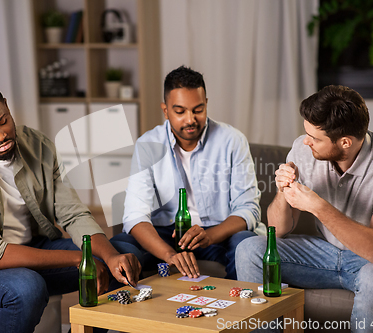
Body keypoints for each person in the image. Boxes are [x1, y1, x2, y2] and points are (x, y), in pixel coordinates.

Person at [0, 81, 141, 333]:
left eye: (3, 121)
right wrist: (79, 258)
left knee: (123, 256)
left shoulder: (37, 144)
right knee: (27, 288)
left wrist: (110, 256)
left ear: (7, 107)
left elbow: (72, 214)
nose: (0, 135)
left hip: (30, 249)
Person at [236, 85, 373, 332]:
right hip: (328, 253)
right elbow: (277, 230)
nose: (306, 142)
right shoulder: (304, 150)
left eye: (314, 138)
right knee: (250, 249)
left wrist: (317, 206)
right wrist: (283, 191)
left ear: (345, 142)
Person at [110, 66, 263, 280]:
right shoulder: (148, 144)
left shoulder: (232, 141)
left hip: (217, 231)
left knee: (246, 243)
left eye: (198, 110)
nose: (190, 119)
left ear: (206, 104)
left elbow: (249, 209)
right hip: (165, 233)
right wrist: (169, 255)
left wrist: (209, 236)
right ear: (165, 110)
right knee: (118, 248)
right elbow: (135, 215)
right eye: (180, 112)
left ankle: (239, 311)